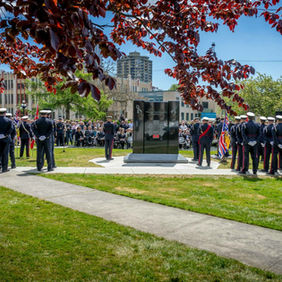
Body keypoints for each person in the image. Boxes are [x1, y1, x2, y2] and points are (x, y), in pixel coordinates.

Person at [0, 108, 12, 173]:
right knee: (5, 153)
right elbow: (11, 129)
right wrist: (5, 134)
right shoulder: (8, 120)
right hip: (6, 138)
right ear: (5, 113)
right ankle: (5, 168)